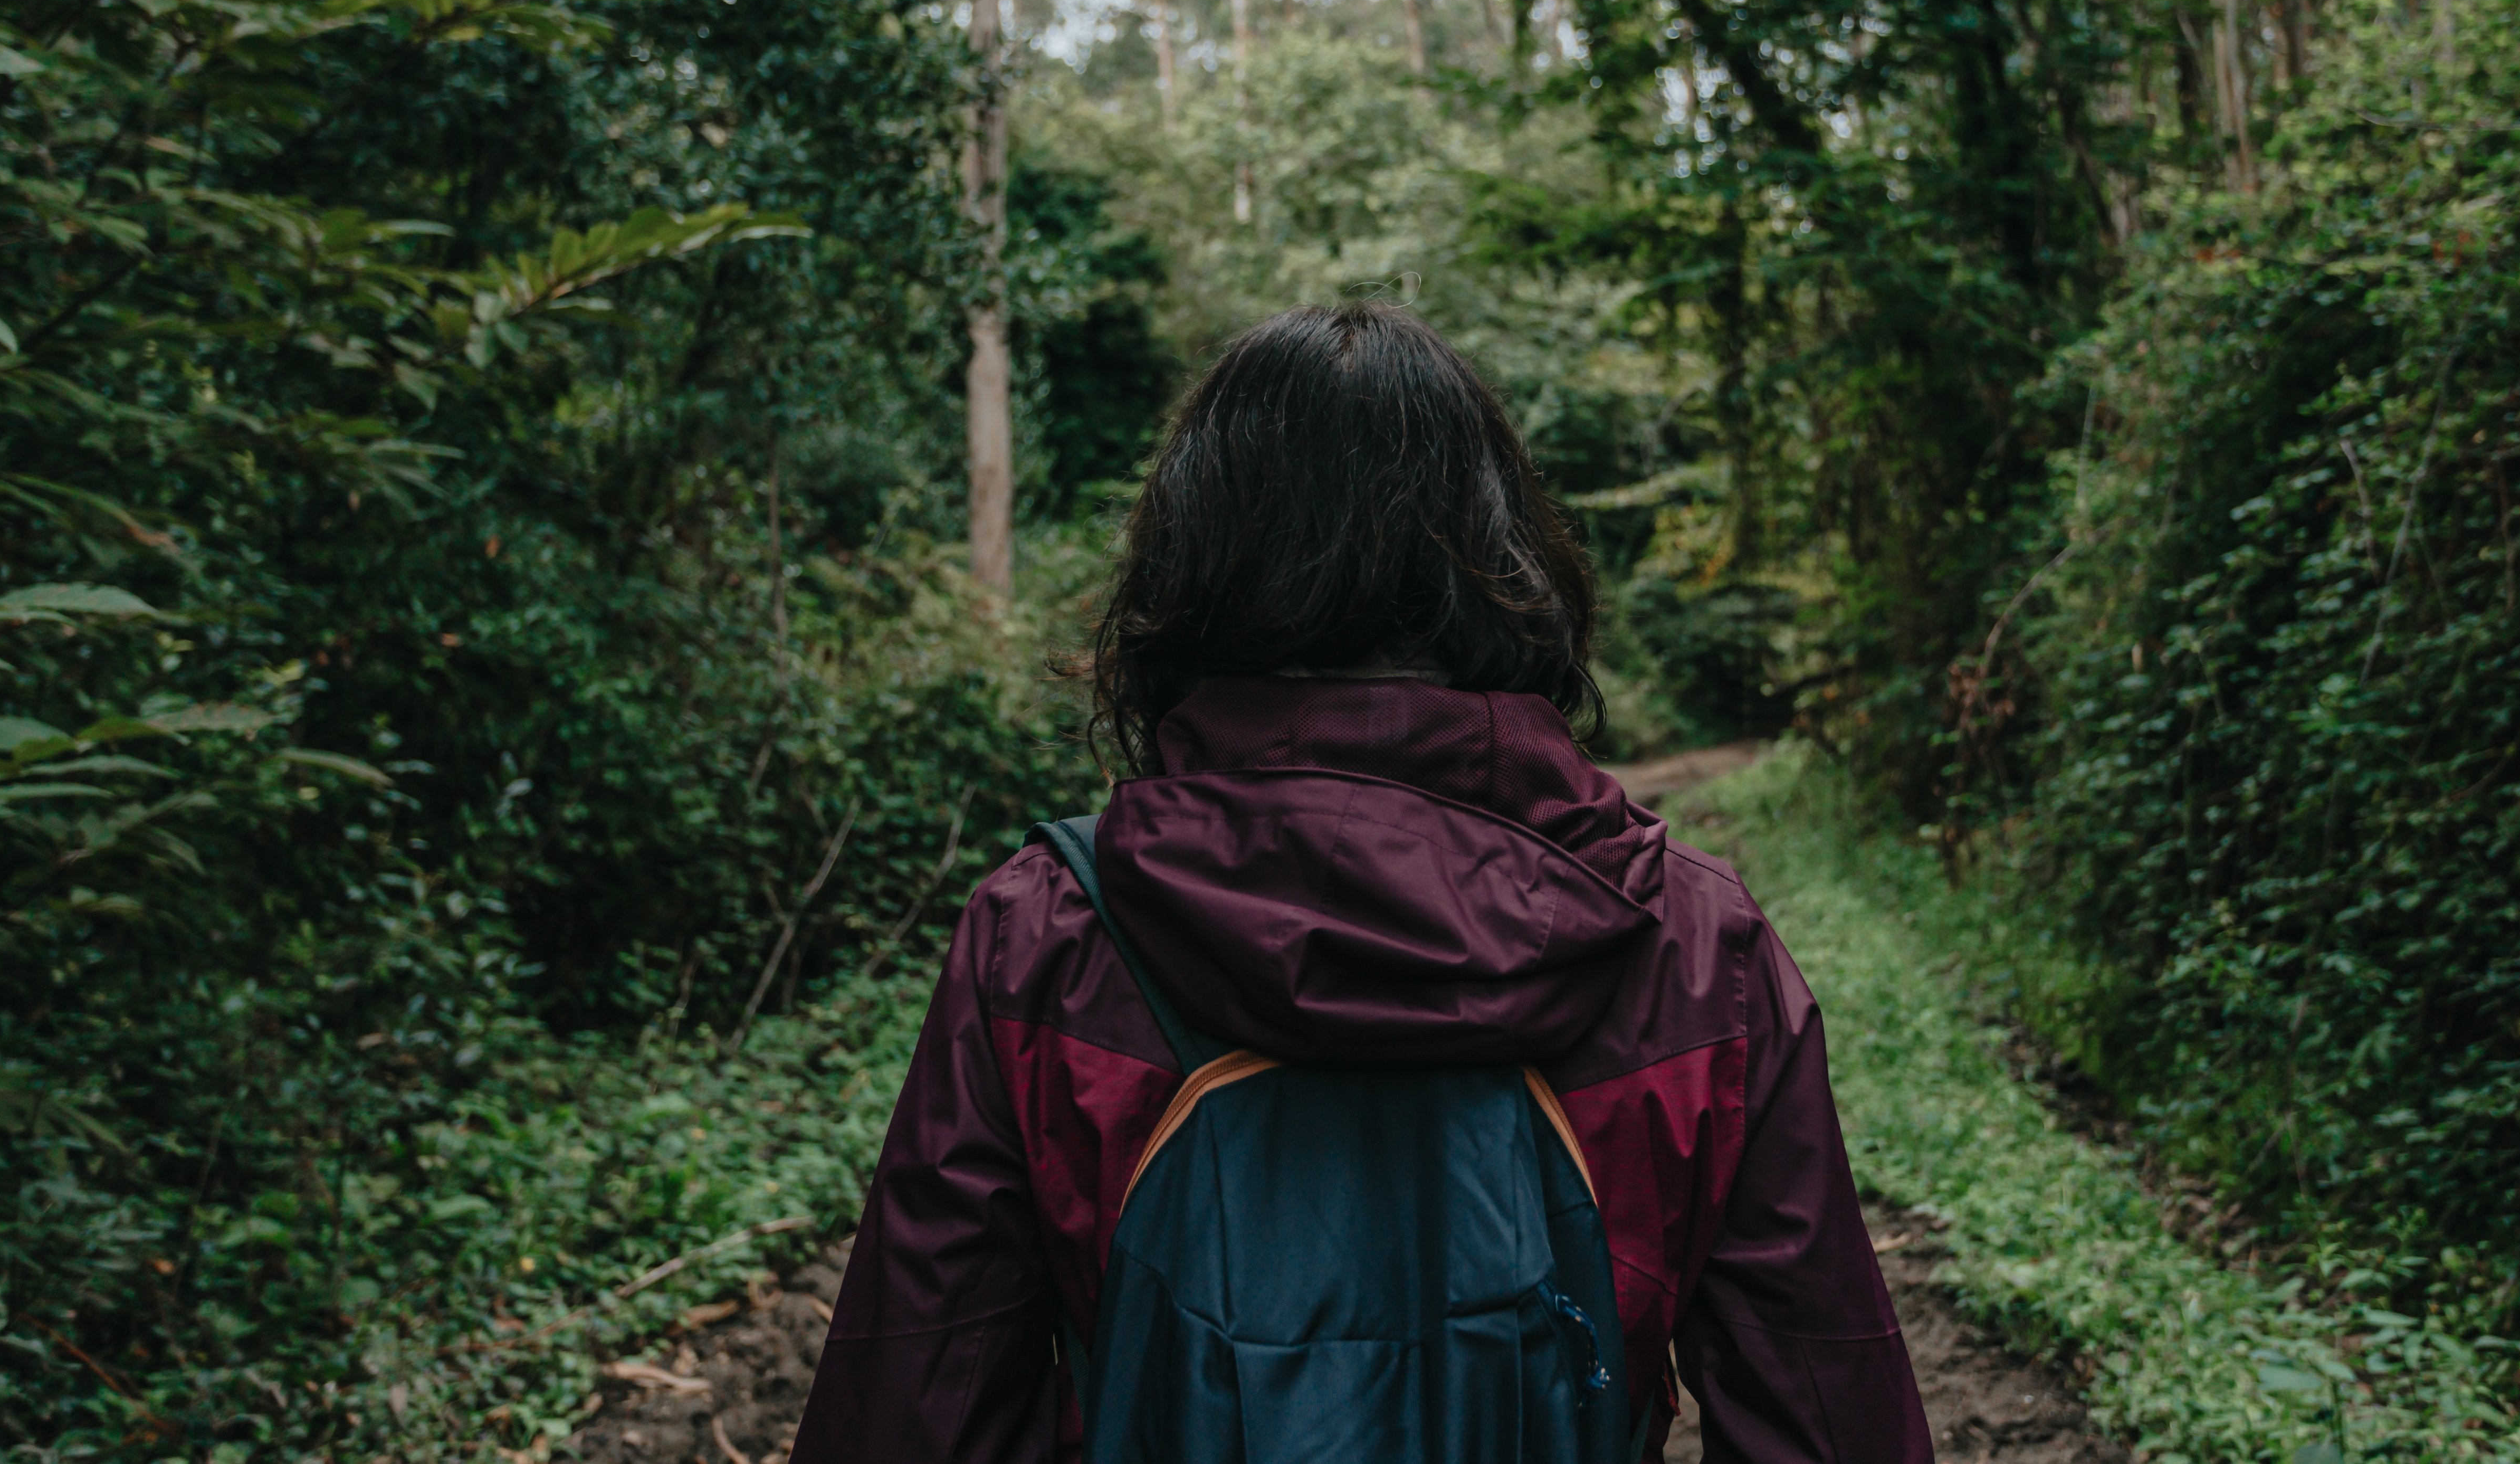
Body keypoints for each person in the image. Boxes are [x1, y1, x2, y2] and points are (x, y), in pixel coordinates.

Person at [790, 303, 1929, 1463]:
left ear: (1192, 559)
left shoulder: (1043, 938)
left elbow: (916, 1413)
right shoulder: (1692, 946)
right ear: (1509, 555)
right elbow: (1824, 1423)